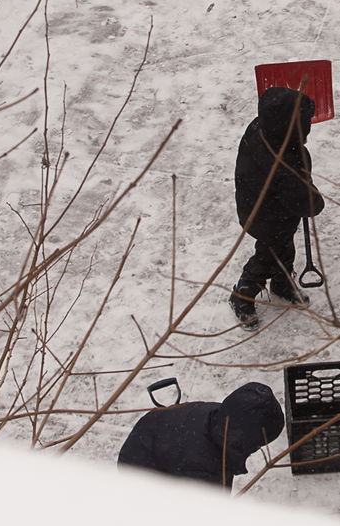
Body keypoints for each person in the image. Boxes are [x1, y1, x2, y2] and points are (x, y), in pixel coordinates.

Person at [230, 86, 325, 328]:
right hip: (270, 218)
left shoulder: (260, 127)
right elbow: (310, 204)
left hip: (254, 203)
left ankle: (281, 284)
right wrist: (309, 191)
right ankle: (242, 292)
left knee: (284, 248)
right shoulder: (285, 166)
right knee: (269, 254)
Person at [117, 382, 286, 487]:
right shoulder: (205, 470)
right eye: (258, 444)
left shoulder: (219, 414)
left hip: (152, 434)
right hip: (139, 471)